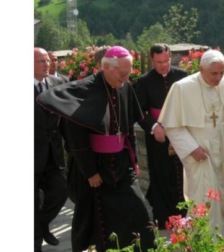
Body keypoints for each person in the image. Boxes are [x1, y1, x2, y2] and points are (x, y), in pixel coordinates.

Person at [37, 46, 155, 252]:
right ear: (106, 67)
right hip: (95, 167)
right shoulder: (84, 91)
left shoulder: (125, 86)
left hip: (121, 163)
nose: (126, 78)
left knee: (137, 209)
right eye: (122, 73)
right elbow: (77, 138)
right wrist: (90, 172)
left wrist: (134, 159)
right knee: (98, 217)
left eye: (129, 73)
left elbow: (128, 129)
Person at [158, 49, 224, 235]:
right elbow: (173, 126)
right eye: (214, 73)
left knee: (223, 197)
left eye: (222, 72)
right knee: (204, 198)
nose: (219, 77)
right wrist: (192, 149)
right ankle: (202, 241)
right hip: (201, 152)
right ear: (201, 69)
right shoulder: (182, 88)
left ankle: (220, 241)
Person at [136, 43, 188, 229]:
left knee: (182, 175)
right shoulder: (144, 81)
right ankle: (164, 218)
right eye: (159, 62)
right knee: (161, 176)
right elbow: (139, 112)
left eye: (166, 61)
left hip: (181, 134)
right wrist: (154, 126)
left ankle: (185, 216)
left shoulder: (183, 77)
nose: (163, 65)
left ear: (170, 56)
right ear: (152, 60)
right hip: (158, 137)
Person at [34, 47, 68, 252]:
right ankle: (34, 244)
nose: (47, 64)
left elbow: (66, 118)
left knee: (60, 192)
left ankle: (41, 225)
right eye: (41, 61)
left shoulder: (59, 84)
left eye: (47, 60)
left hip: (54, 155)